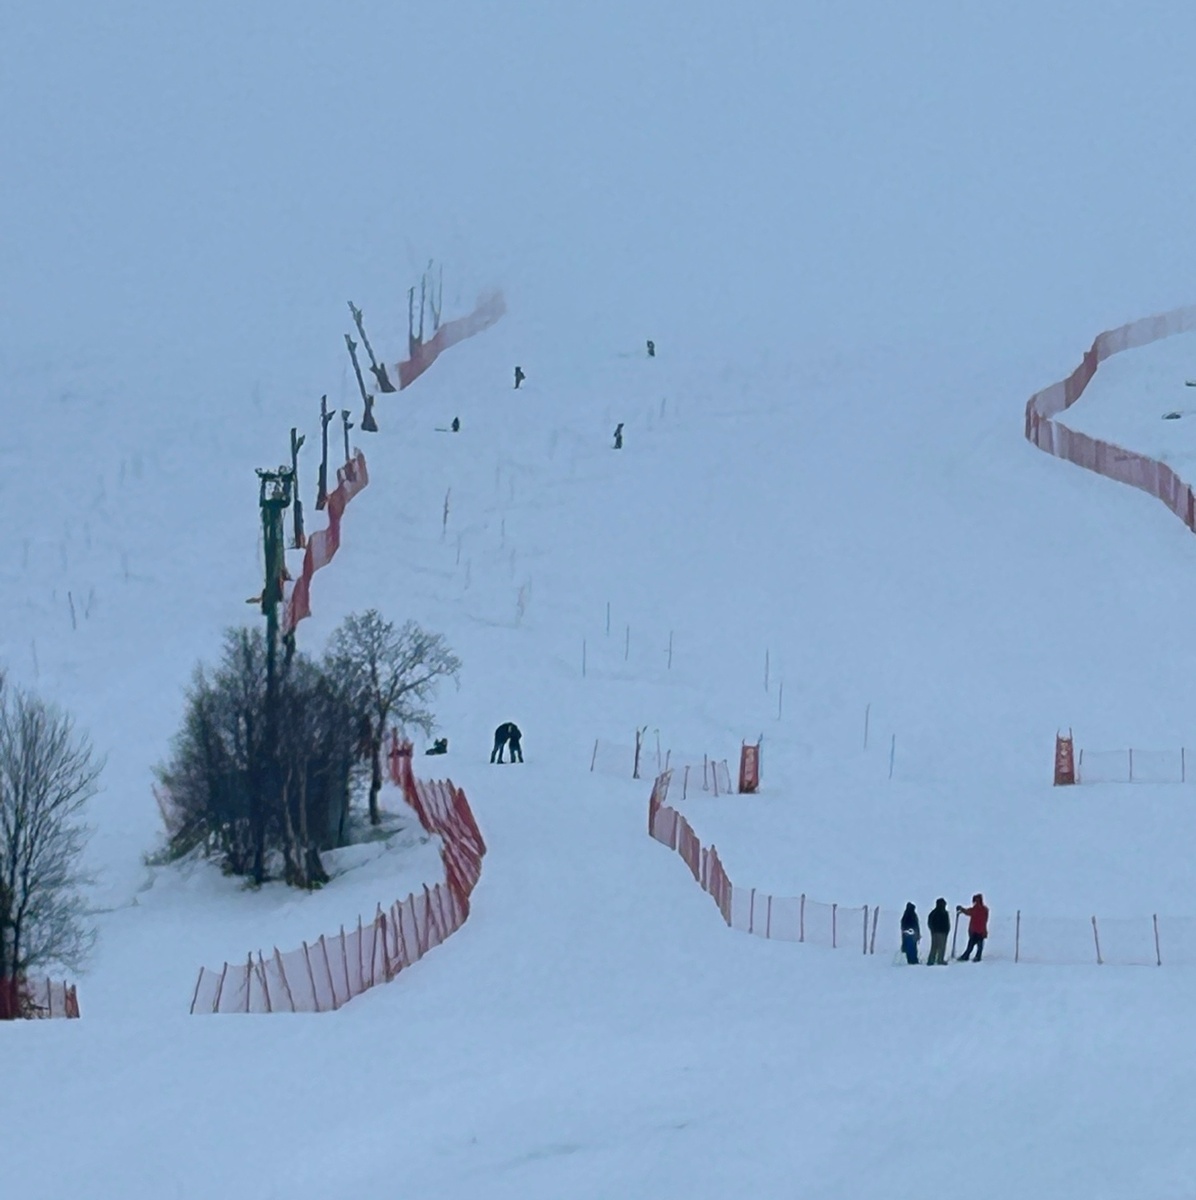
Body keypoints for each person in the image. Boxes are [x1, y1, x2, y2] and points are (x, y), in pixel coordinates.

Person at [957, 893, 989, 961]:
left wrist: (961, 909)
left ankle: (966, 956)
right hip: (981, 930)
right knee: (979, 946)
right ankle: (977, 957)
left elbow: (967, 911)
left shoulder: (975, 909)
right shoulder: (985, 909)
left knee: (971, 945)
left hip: (974, 930)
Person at [926, 898, 951, 965]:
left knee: (934, 947)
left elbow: (929, 922)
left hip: (934, 932)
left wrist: (932, 930)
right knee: (941, 947)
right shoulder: (944, 913)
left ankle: (931, 960)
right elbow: (947, 923)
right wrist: (947, 931)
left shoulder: (933, 913)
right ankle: (940, 960)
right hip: (942, 933)